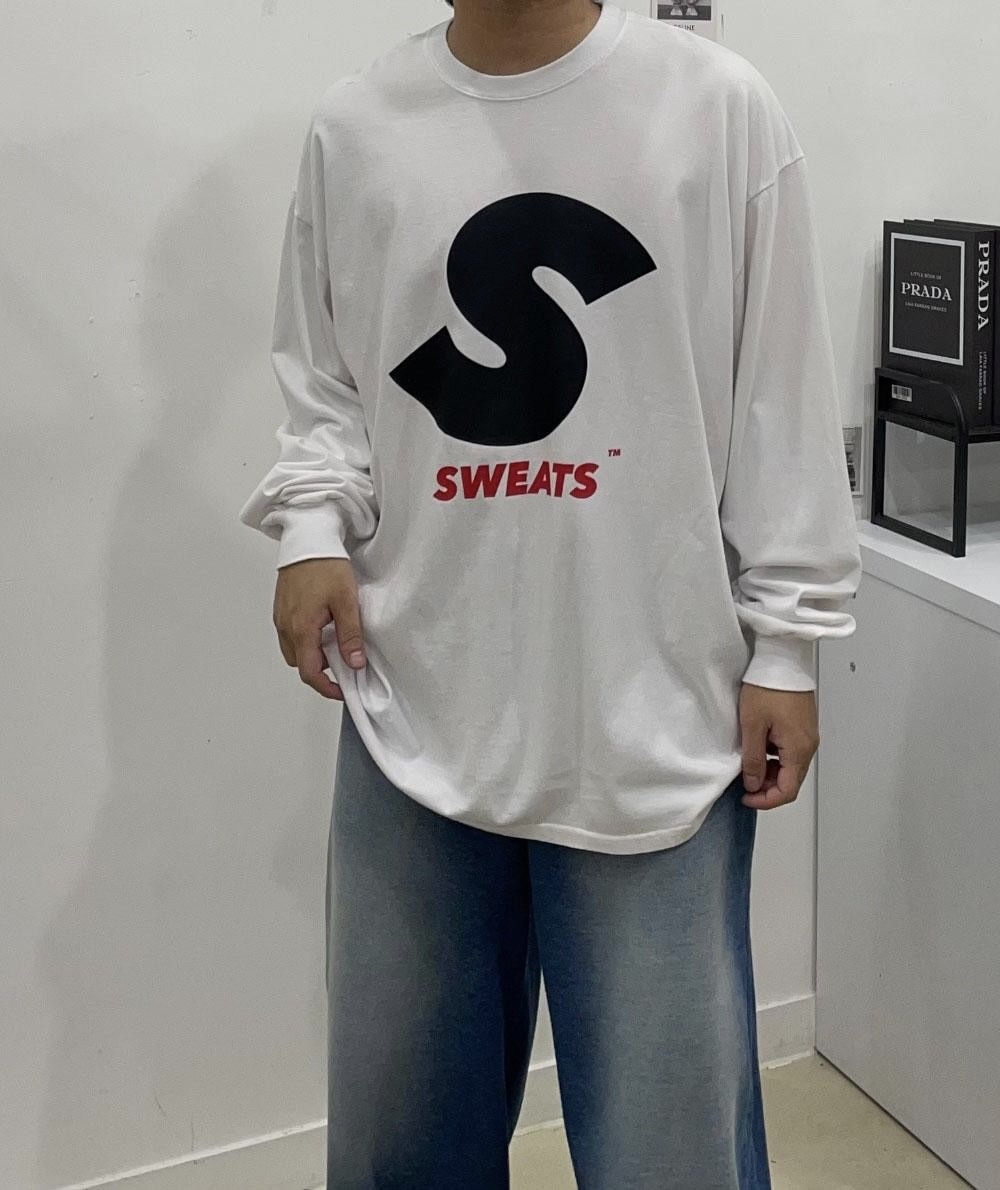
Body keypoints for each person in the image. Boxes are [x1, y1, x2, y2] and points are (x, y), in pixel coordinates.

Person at [238, 1, 863, 1185]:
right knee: (401, 1141)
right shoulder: (357, 125)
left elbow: (777, 395)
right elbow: (324, 376)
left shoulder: (716, 107)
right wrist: (309, 528)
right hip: (414, 693)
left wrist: (787, 641)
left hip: (658, 704)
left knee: (668, 1149)